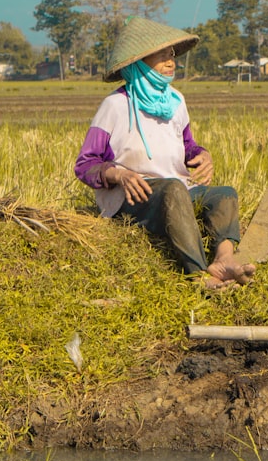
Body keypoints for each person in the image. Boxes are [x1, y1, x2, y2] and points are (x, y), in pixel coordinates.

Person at [74, 16, 255, 291]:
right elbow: (86, 164)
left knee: (225, 194)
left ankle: (223, 257)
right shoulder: (114, 105)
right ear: (139, 62)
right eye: (162, 56)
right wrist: (118, 174)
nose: (171, 62)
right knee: (172, 190)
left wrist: (202, 155)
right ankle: (198, 274)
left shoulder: (175, 100)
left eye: (171, 55)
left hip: (178, 187)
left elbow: (187, 146)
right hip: (135, 196)